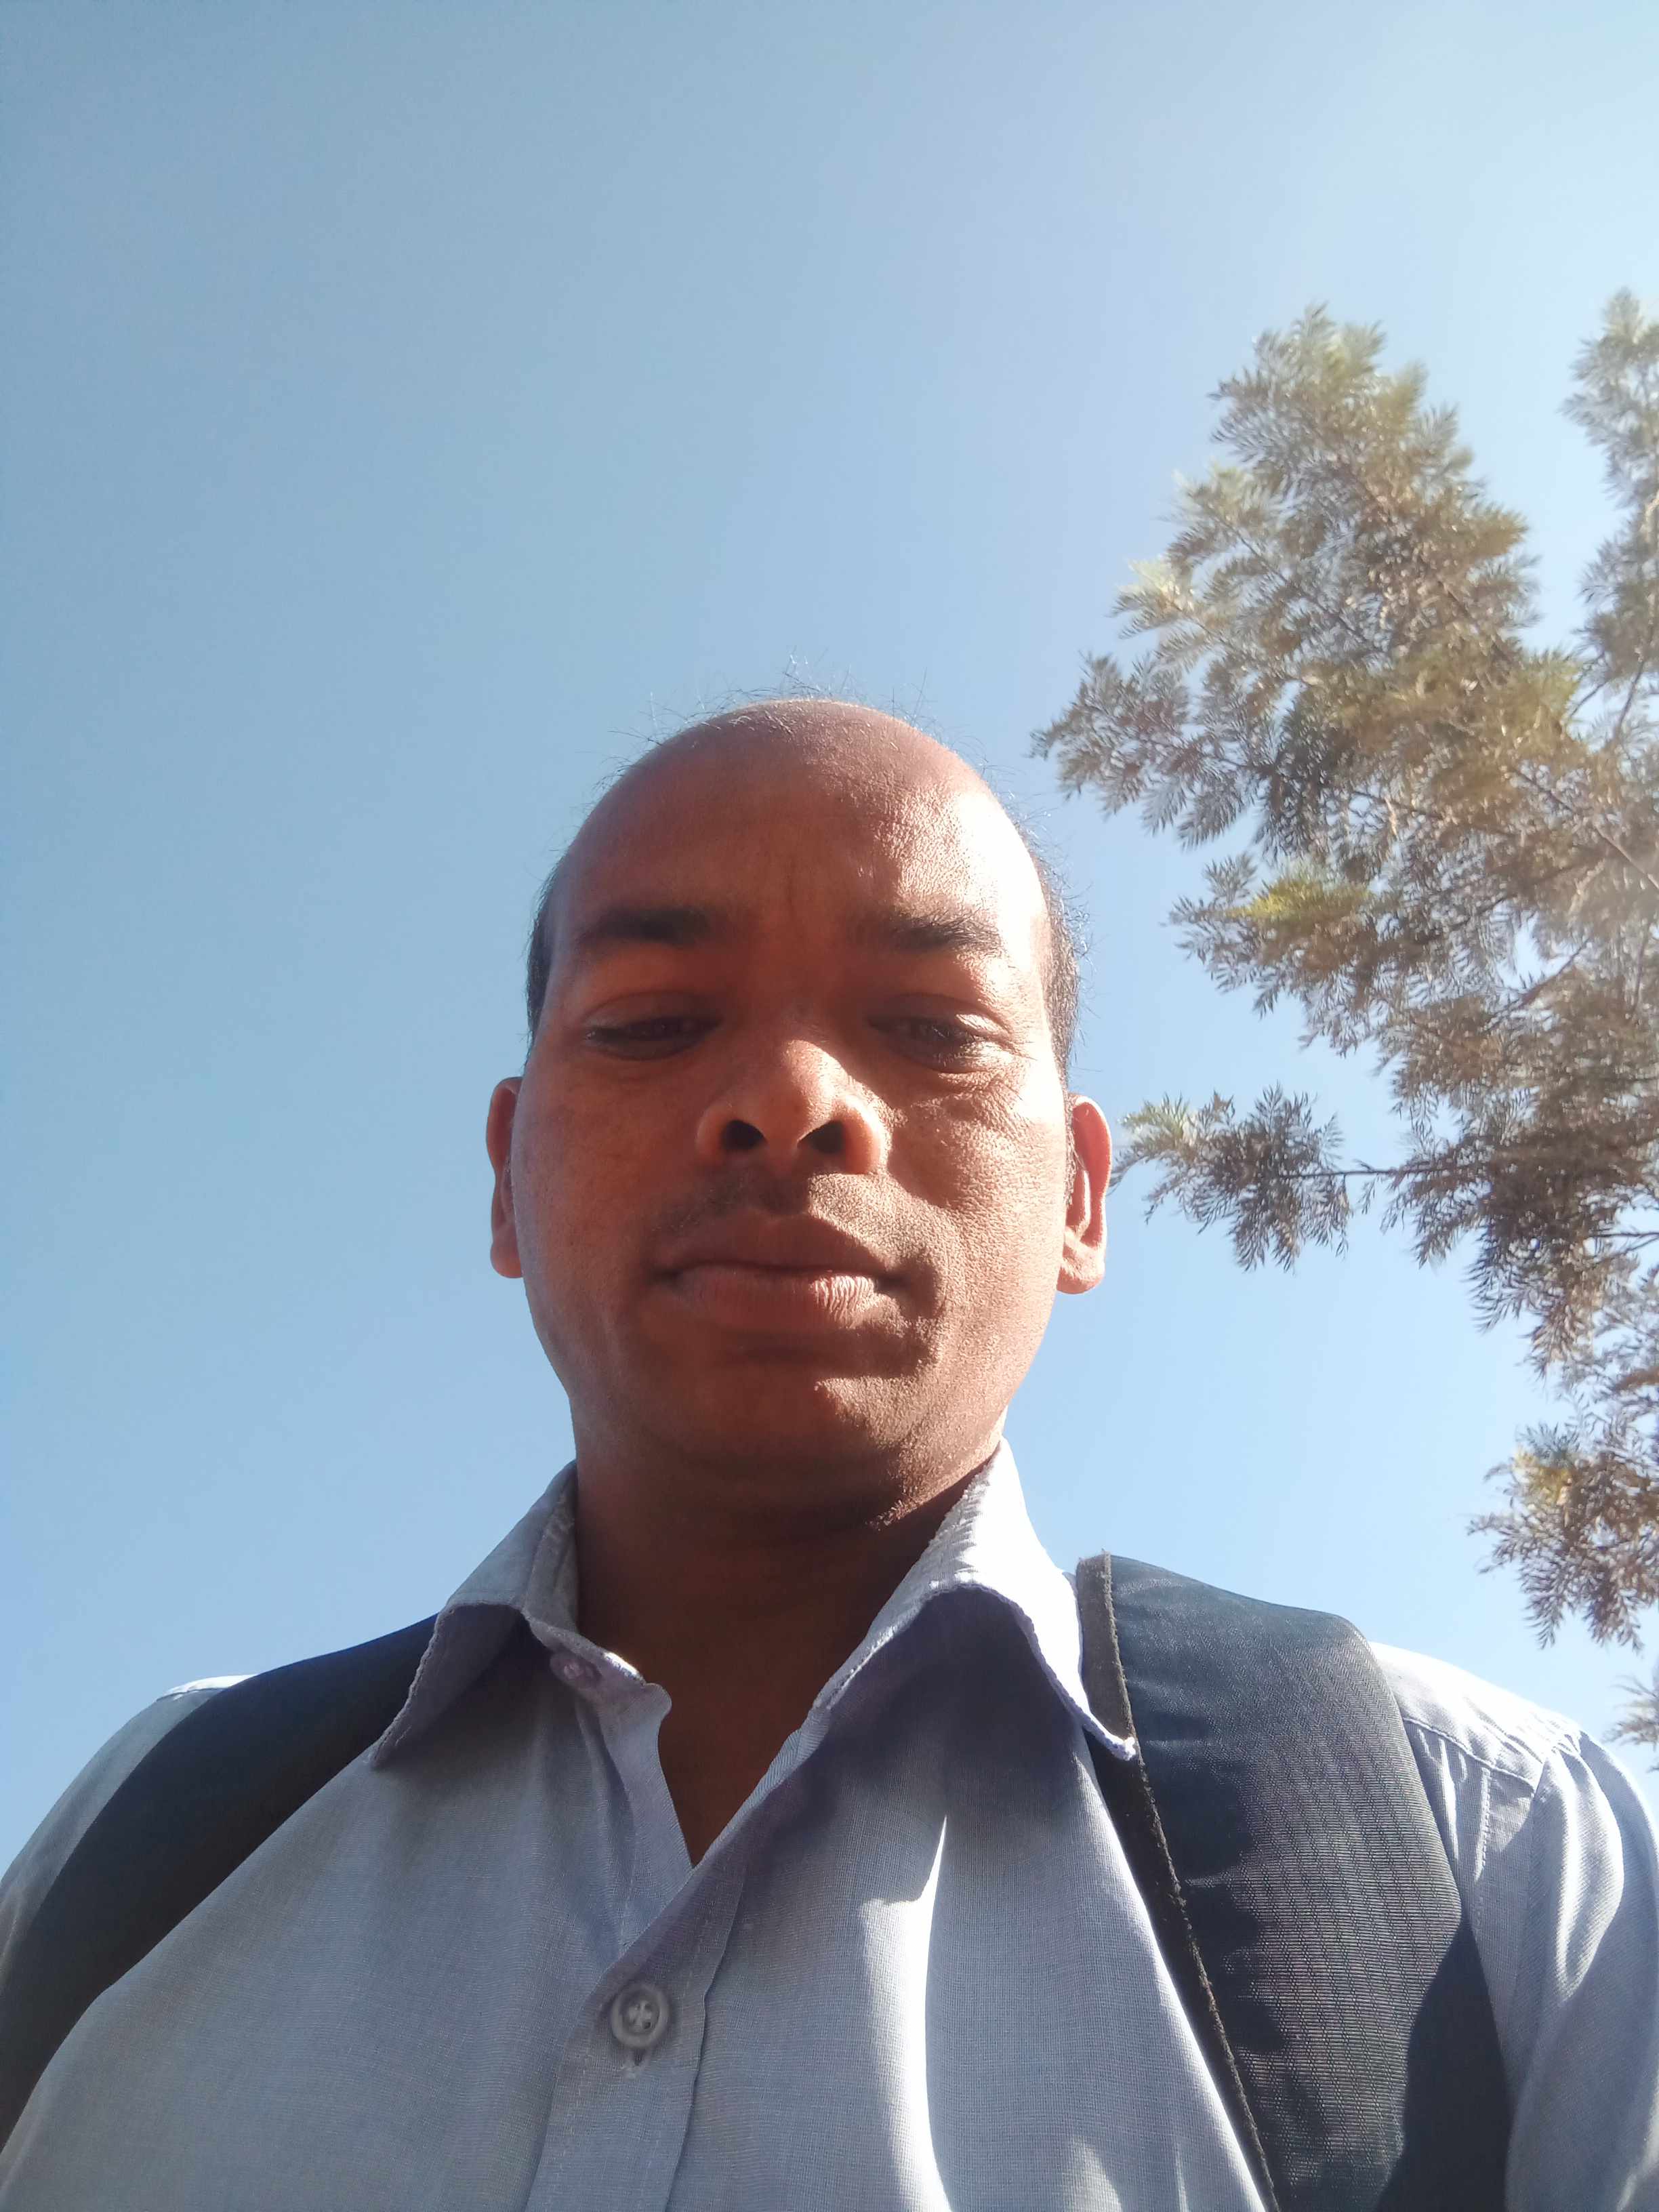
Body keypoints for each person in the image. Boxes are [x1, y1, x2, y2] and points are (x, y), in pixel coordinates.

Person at [3, 697, 1656, 2209]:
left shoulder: (1501, 1866)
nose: (791, 1098)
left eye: (931, 1027)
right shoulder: (147, 1833)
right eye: (654, 1021)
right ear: (507, 1179)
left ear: (1082, 1198)